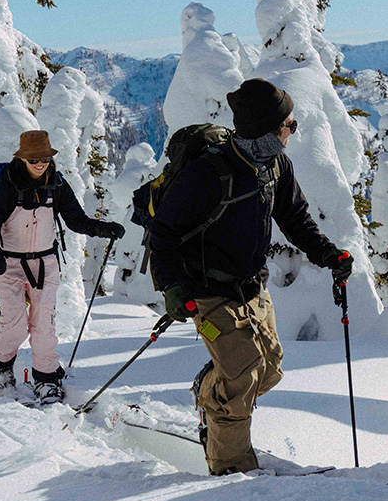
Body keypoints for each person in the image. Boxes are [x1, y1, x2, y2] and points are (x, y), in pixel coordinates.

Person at [149, 78, 354, 475]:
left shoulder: (275, 165)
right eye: (289, 124)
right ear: (266, 130)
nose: (293, 130)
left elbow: (295, 218)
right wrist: (172, 287)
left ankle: (210, 393)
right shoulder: (207, 174)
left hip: (251, 286)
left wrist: (327, 253)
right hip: (207, 291)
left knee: (269, 367)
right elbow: (164, 233)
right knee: (242, 375)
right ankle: (234, 475)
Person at [0, 129, 125, 404]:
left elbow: (75, 220)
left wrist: (102, 229)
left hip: (45, 264)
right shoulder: (7, 185)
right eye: (34, 159)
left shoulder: (56, 184)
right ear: (22, 158)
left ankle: (46, 378)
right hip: (9, 263)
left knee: (43, 325)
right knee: (15, 326)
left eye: (44, 158)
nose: (40, 163)